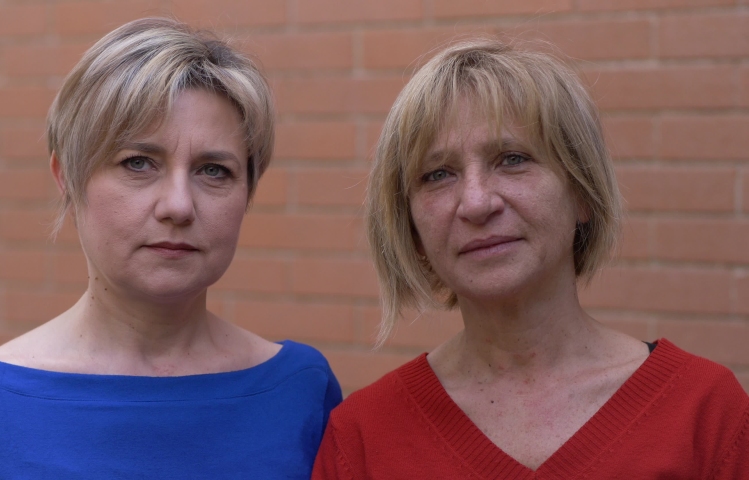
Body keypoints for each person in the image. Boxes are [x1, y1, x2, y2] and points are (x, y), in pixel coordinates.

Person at [0, 17, 341, 479]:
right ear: (66, 177)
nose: (178, 205)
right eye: (139, 162)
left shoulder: (300, 390)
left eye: (214, 170)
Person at [312, 39, 749, 479]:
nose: (477, 203)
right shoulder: (364, 437)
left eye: (513, 159)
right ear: (412, 229)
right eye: (437, 175)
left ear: (581, 191)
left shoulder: (705, 413)